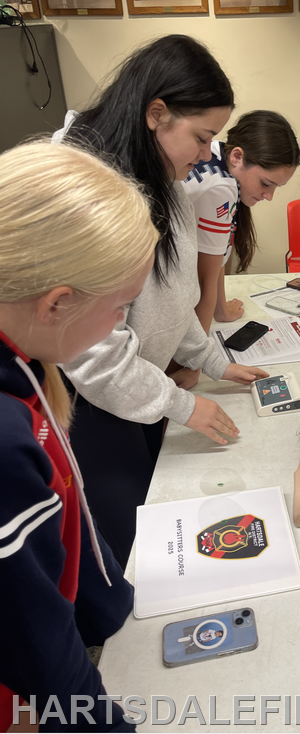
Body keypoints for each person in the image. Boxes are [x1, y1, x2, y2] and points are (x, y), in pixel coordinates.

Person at [55, 35, 268, 569]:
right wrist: (183, 403)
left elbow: (172, 296)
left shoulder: (162, 178)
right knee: (123, 544)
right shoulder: (83, 195)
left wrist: (211, 360)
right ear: (156, 114)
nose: (206, 156)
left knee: (155, 508)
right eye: (201, 138)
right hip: (91, 402)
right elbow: (97, 358)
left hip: (143, 385)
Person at [0, 140, 159, 732]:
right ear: (57, 303)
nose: (120, 325)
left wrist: (112, 605)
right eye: (120, 308)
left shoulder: (24, 366)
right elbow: (37, 647)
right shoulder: (5, 444)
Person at [172, 111, 300, 389]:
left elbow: (214, 256)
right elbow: (206, 280)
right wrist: (194, 366)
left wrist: (222, 309)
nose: (269, 196)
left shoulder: (216, 151)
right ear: (238, 157)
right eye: (266, 183)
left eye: (276, 187)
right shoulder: (221, 188)